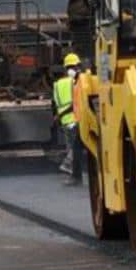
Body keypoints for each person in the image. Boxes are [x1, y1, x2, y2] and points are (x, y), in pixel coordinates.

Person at [53, 54, 82, 186]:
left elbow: (56, 103)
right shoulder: (75, 82)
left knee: (71, 147)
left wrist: (58, 116)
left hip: (65, 121)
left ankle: (75, 177)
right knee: (75, 149)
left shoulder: (57, 84)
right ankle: (70, 167)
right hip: (75, 119)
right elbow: (75, 103)